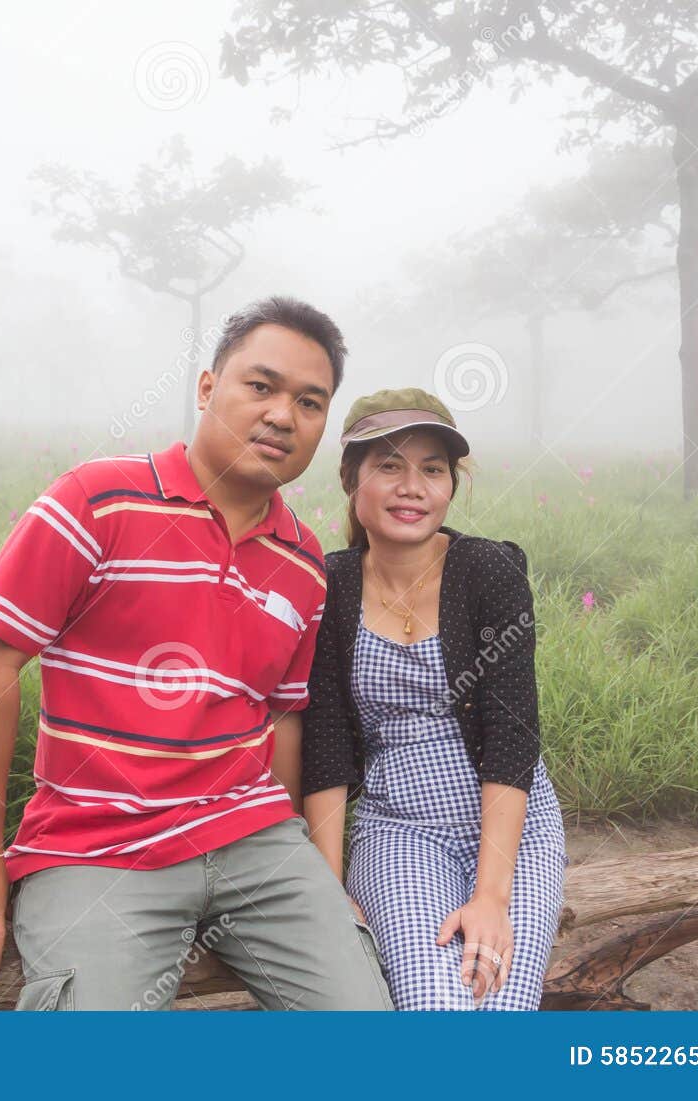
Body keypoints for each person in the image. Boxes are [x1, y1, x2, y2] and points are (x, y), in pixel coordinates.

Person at [0, 296, 393, 1011]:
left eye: (310, 402)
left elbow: (281, 717)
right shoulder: (97, 501)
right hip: (96, 849)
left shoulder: (304, 561)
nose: (283, 415)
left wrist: (311, 875)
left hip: (255, 839)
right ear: (206, 388)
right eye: (261, 386)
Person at [299, 387, 568, 1010]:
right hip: (398, 832)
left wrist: (492, 899)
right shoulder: (331, 585)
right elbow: (328, 745)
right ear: (351, 479)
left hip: (510, 830)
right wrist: (329, 891)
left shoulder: (488, 571)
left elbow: (511, 739)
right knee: (436, 1009)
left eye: (432, 469)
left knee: (494, 1004)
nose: (411, 486)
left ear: (451, 484)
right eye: (389, 465)